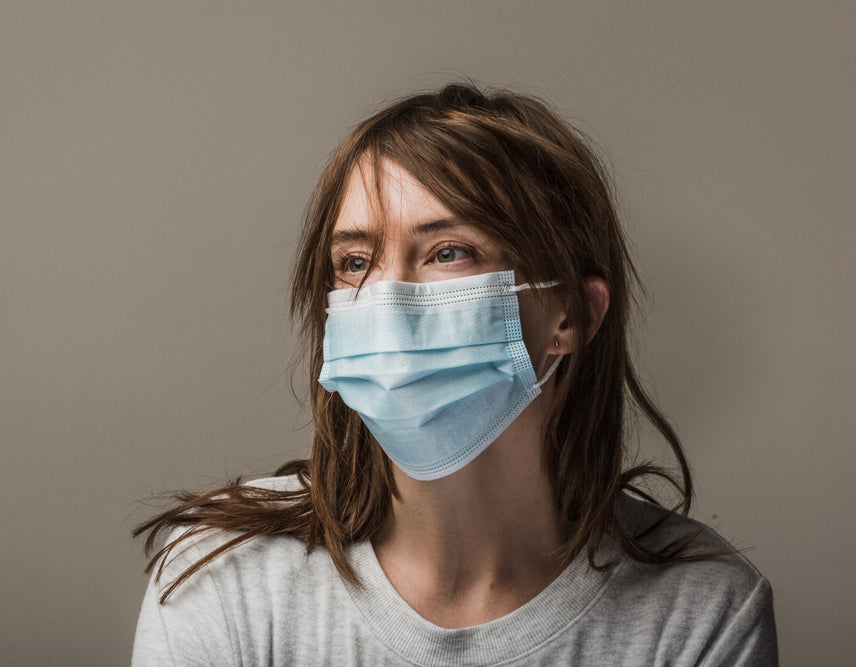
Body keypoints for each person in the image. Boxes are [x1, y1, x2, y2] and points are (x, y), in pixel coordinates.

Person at [131, 83, 777, 665]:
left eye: (448, 252)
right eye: (354, 261)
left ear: (571, 314)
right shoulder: (223, 577)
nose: (385, 299)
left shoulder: (703, 613)